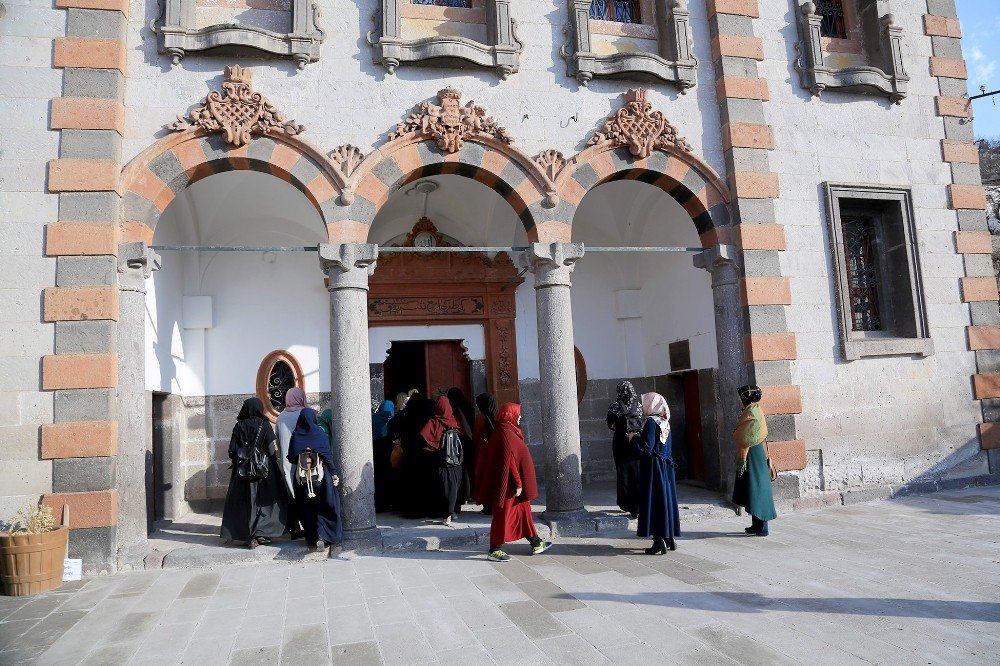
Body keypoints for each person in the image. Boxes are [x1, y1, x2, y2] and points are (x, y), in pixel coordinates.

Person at [478, 403, 551, 562]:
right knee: (503, 516)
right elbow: (508, 460)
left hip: (513, 485)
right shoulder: (504, 432)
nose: (520, 417)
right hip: (509, 486)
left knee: (523, 513)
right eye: (517, 414)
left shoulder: (508, 430)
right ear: (509, 415)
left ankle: (536, 542)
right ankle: (494, 549)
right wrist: (518, 483)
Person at [220, 398, 291, 549]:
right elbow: (271, 450)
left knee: (245, 503)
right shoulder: (264, 424)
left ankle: (246, 534)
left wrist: (240, 461)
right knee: (264, 501)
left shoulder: (238, 426)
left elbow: (232, 451)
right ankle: (261, 533)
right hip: (264, 470)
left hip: (243, 471)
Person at [287, 407, 343, 550]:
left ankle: (313, 537)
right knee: (327, 504)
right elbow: (328, 456)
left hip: (302, 478)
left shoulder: (296, 434)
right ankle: (326, 535)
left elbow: (291, 457)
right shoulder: (319, 433)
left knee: (306, 507)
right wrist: (334, 474)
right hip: (321, 476)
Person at [634, 393, 680, 554]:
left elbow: (646, 449)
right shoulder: (665, 422)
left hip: (654, 468)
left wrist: (633, 439)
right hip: (665, 467)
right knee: (664, 500)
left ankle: (658, 541)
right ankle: (669, 538)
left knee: (654, 501)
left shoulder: (651, 423)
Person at [731, 385, 777, 536]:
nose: (739, 399)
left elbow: (745, 436)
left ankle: (762, 527)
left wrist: (736, 433)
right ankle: (756, 525)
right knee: (752, 487)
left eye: (740, 396)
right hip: (754, 451)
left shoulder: (751, 412)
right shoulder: (754, 408)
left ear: (746, 397)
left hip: (753, 452)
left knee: (757, 487)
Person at [418, 396, 465, 525]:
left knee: (443, 487)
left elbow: (427, 442)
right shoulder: (455, 421)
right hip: (455, 461)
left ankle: (446, 514)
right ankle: (452, 511)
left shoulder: (433, 422)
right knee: (454, 486)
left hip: (441, 461)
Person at [607, 380, 644, 518]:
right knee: (637, 473)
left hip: (621, 442)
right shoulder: (638, 405)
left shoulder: (616, 405)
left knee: (623, 472)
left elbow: (609, 423)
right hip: (636, 441)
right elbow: (642, 421)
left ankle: (626, 504)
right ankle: (638, 506)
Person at [446, 387, 475, 508]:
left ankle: (461, 495)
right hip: (468, 440)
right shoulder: (467, 407)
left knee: (458, 469)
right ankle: (469, 493)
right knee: (467, 468)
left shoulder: (451, 408)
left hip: (456, 442)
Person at [276, 387, 308, 496]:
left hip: (287, 459)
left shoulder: (281, 417)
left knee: (292, 491)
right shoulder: (307, 413)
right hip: (305, 458)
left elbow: (278, 440)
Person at [472, 392, 498, 513]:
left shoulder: (480, 418)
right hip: (497, 449)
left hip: (484, 450)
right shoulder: (499, 416)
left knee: (484, 477)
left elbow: (475, 436)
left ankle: (487, 506)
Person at [371, 399, 395, 512]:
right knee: (389, 476)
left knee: (378, 476)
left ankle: (379, 503)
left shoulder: (373, 417)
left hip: (375, 449)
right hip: (390, 450)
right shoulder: (393, 420)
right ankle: (390, 502)